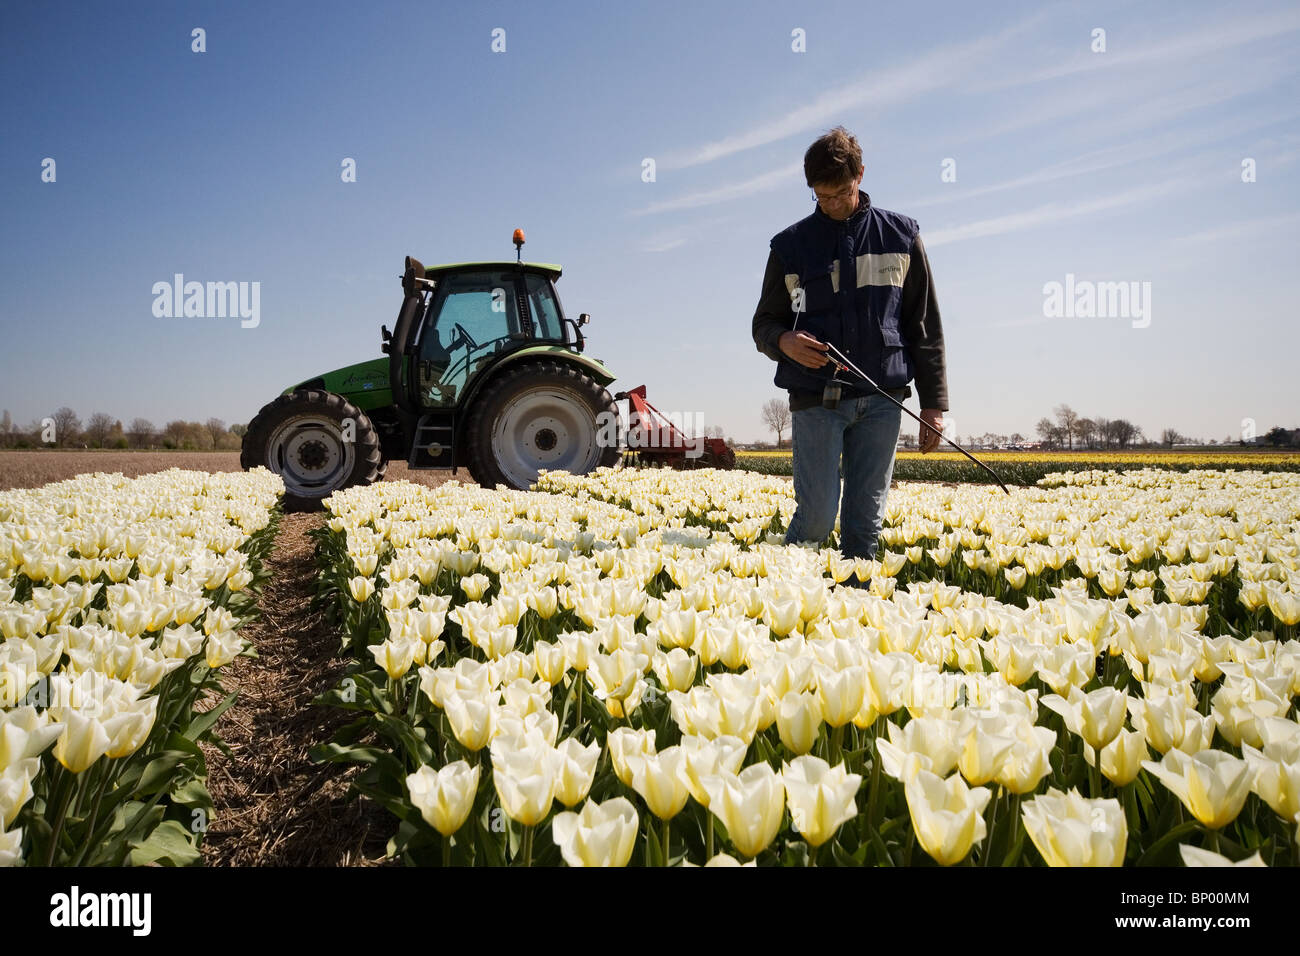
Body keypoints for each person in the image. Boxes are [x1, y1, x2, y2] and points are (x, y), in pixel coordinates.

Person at [751, 126, 949, 583]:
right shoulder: (790, 246)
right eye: (821, 196)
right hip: (816, 398)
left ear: (860, 174)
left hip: (883, 398)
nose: (832, 204)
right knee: (818, 514)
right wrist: (785, 342)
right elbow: (764, 323)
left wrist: (934, 403)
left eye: (841, 192)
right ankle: (783, 600)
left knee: (865, 524)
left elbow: (924, 325)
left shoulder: (902, 236)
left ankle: (854, 625)